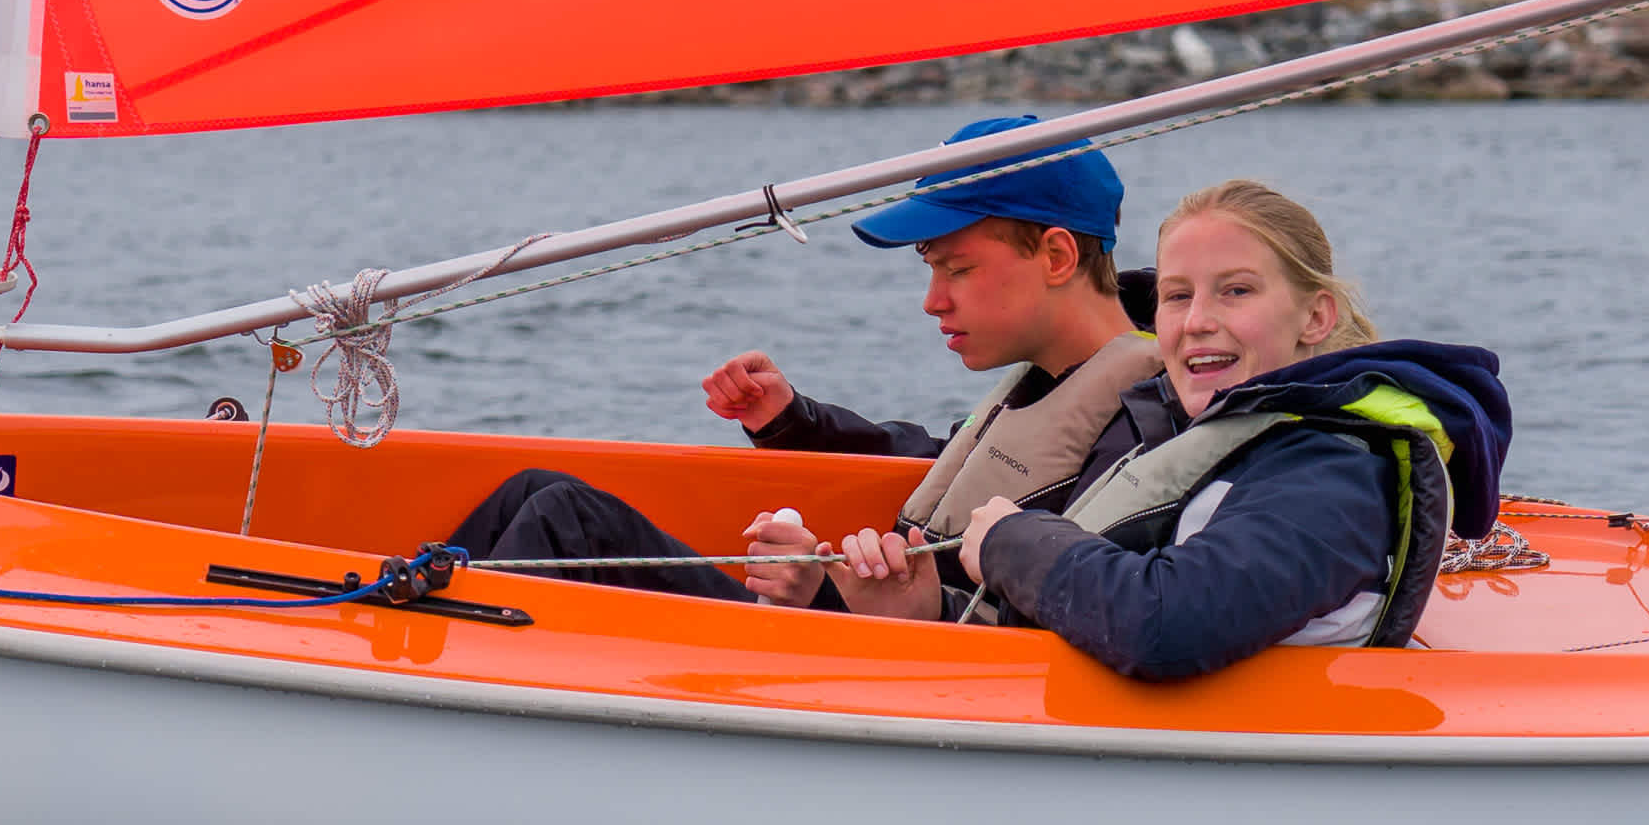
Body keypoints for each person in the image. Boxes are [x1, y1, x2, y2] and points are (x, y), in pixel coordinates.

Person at [439, 116, 1177, 604]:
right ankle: (399, 623)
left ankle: (429, 690)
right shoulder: (1052, 383)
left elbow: (1060, 612)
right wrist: (795, 422)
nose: (932, 301)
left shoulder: (1141, 426)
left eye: (955, 269)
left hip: (883, 671)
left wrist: (816, 590)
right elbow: (933, 458)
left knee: (568, 515)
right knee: (533, 489)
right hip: (849, 633)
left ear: (1055, 254)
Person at [953, 178, 1510, 679]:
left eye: (1236, 291)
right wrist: (930, 608)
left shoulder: (1333, 477)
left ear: (1315, 317)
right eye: (1177, 296)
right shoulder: (1204, 440)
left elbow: (1165, 626)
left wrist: (1014, 543)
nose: (1197, 321)